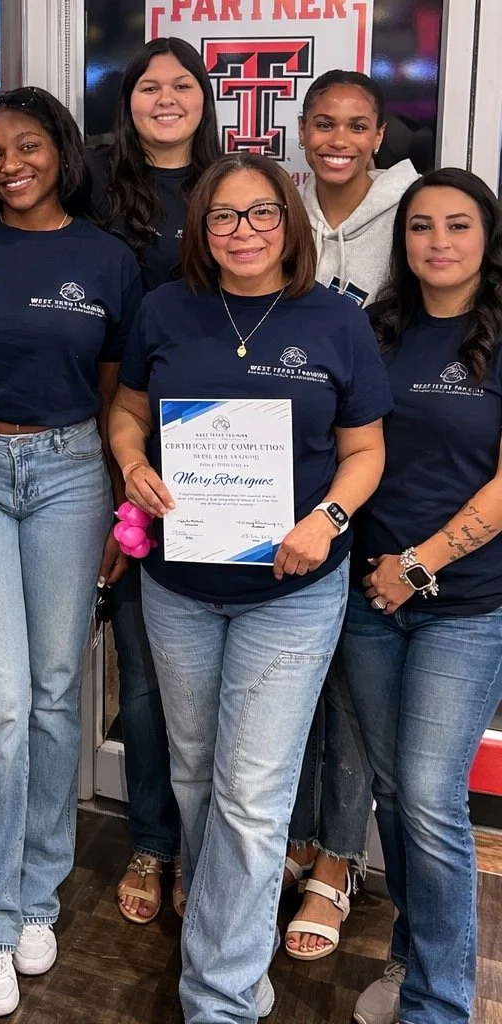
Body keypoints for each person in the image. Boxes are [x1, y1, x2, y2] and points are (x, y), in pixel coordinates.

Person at [109, 152, 392, 1024]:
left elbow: (366, 450)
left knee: (252, 791)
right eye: (223, 216)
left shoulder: (336, 322)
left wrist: (329, 523)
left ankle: (221, 997)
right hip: (180, 584)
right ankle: (232, 944)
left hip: (292, 591)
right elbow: (126, 410)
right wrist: (131, 462)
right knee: (196, 774)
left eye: (261, 214)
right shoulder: (165, 310)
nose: (242, 232)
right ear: (200, 227)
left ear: (290, 220)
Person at [0, 86, 142, 1017]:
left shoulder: (107, 258)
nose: (9, 164)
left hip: (71, 474)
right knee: (2, 698)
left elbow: (112, 391)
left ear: (60, 150)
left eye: (27, 146)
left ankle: (39, 892)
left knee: (56, 690)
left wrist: (117, 509)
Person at [343, 168, 502, 1024]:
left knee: (433, 794)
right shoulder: (379, 327)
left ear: (487, 237)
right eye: (420, 227)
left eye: (458, 225)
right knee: (396, 791)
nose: (438, 242)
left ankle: (442, 1004)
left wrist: (422, 564)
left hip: (468, 603)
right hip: (372, 597)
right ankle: (411, 954)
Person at [285, 69, 420, 961]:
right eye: (322, 123)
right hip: (292, 486)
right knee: (293, 679)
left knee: (348, 691)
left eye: (356, 125)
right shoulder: (282, 211)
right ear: (302, 129)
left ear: (379, 135)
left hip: (386, 480)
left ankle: (339, 860)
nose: (337, 138)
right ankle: (298, 838)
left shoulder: (413, 215)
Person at [87, 35, 221, 925]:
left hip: (227, 460)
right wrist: (116, 476)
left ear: (206, 98)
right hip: (119, 443)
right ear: (128, 100)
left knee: (216, 684)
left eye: (181, 85)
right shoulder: (92, 182)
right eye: (149, 86)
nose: (165, 98)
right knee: (140, 678)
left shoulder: (235, 186)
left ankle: (217, 855)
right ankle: (151, 840)